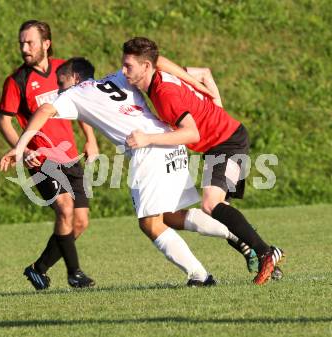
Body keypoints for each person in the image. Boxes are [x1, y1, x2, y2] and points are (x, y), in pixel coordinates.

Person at [0, 57, 257, 286]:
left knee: (150, 223)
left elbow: (44, 110)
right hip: (171, 141)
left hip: (147, 149)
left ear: (75, 78)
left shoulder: (75, 92)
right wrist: (195, 79)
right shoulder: (118, 77)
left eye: (61, 81)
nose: (58, 88)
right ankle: (239, 236)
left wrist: (20, 147)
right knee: (170, 215)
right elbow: (158, 61)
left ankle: (200, 276)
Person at [122, 37, 285, 285]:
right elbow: (205, 73)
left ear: (146, 66)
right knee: (220, 211)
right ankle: (264, 257)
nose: (123, 71)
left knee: (211, 204)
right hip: (218, 143)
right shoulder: (160, 74)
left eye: (128, 66)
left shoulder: (164, 92)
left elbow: (191, 133)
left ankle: (265, 253)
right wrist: (217, 104)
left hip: (228, 142)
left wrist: (146, 139)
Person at [0, 20, 98, 290]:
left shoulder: (63, 70)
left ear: (46, 43)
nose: (24, 47)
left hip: (70, 156)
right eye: (21, 42)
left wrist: (90, 139)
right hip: (41, 161)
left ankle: (38, 269)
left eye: (29, 42)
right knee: (64, 208)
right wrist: (25, 149)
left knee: (80, 221)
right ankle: (74, 273)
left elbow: (80, 104)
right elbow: (4, 122)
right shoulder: (16, 81)